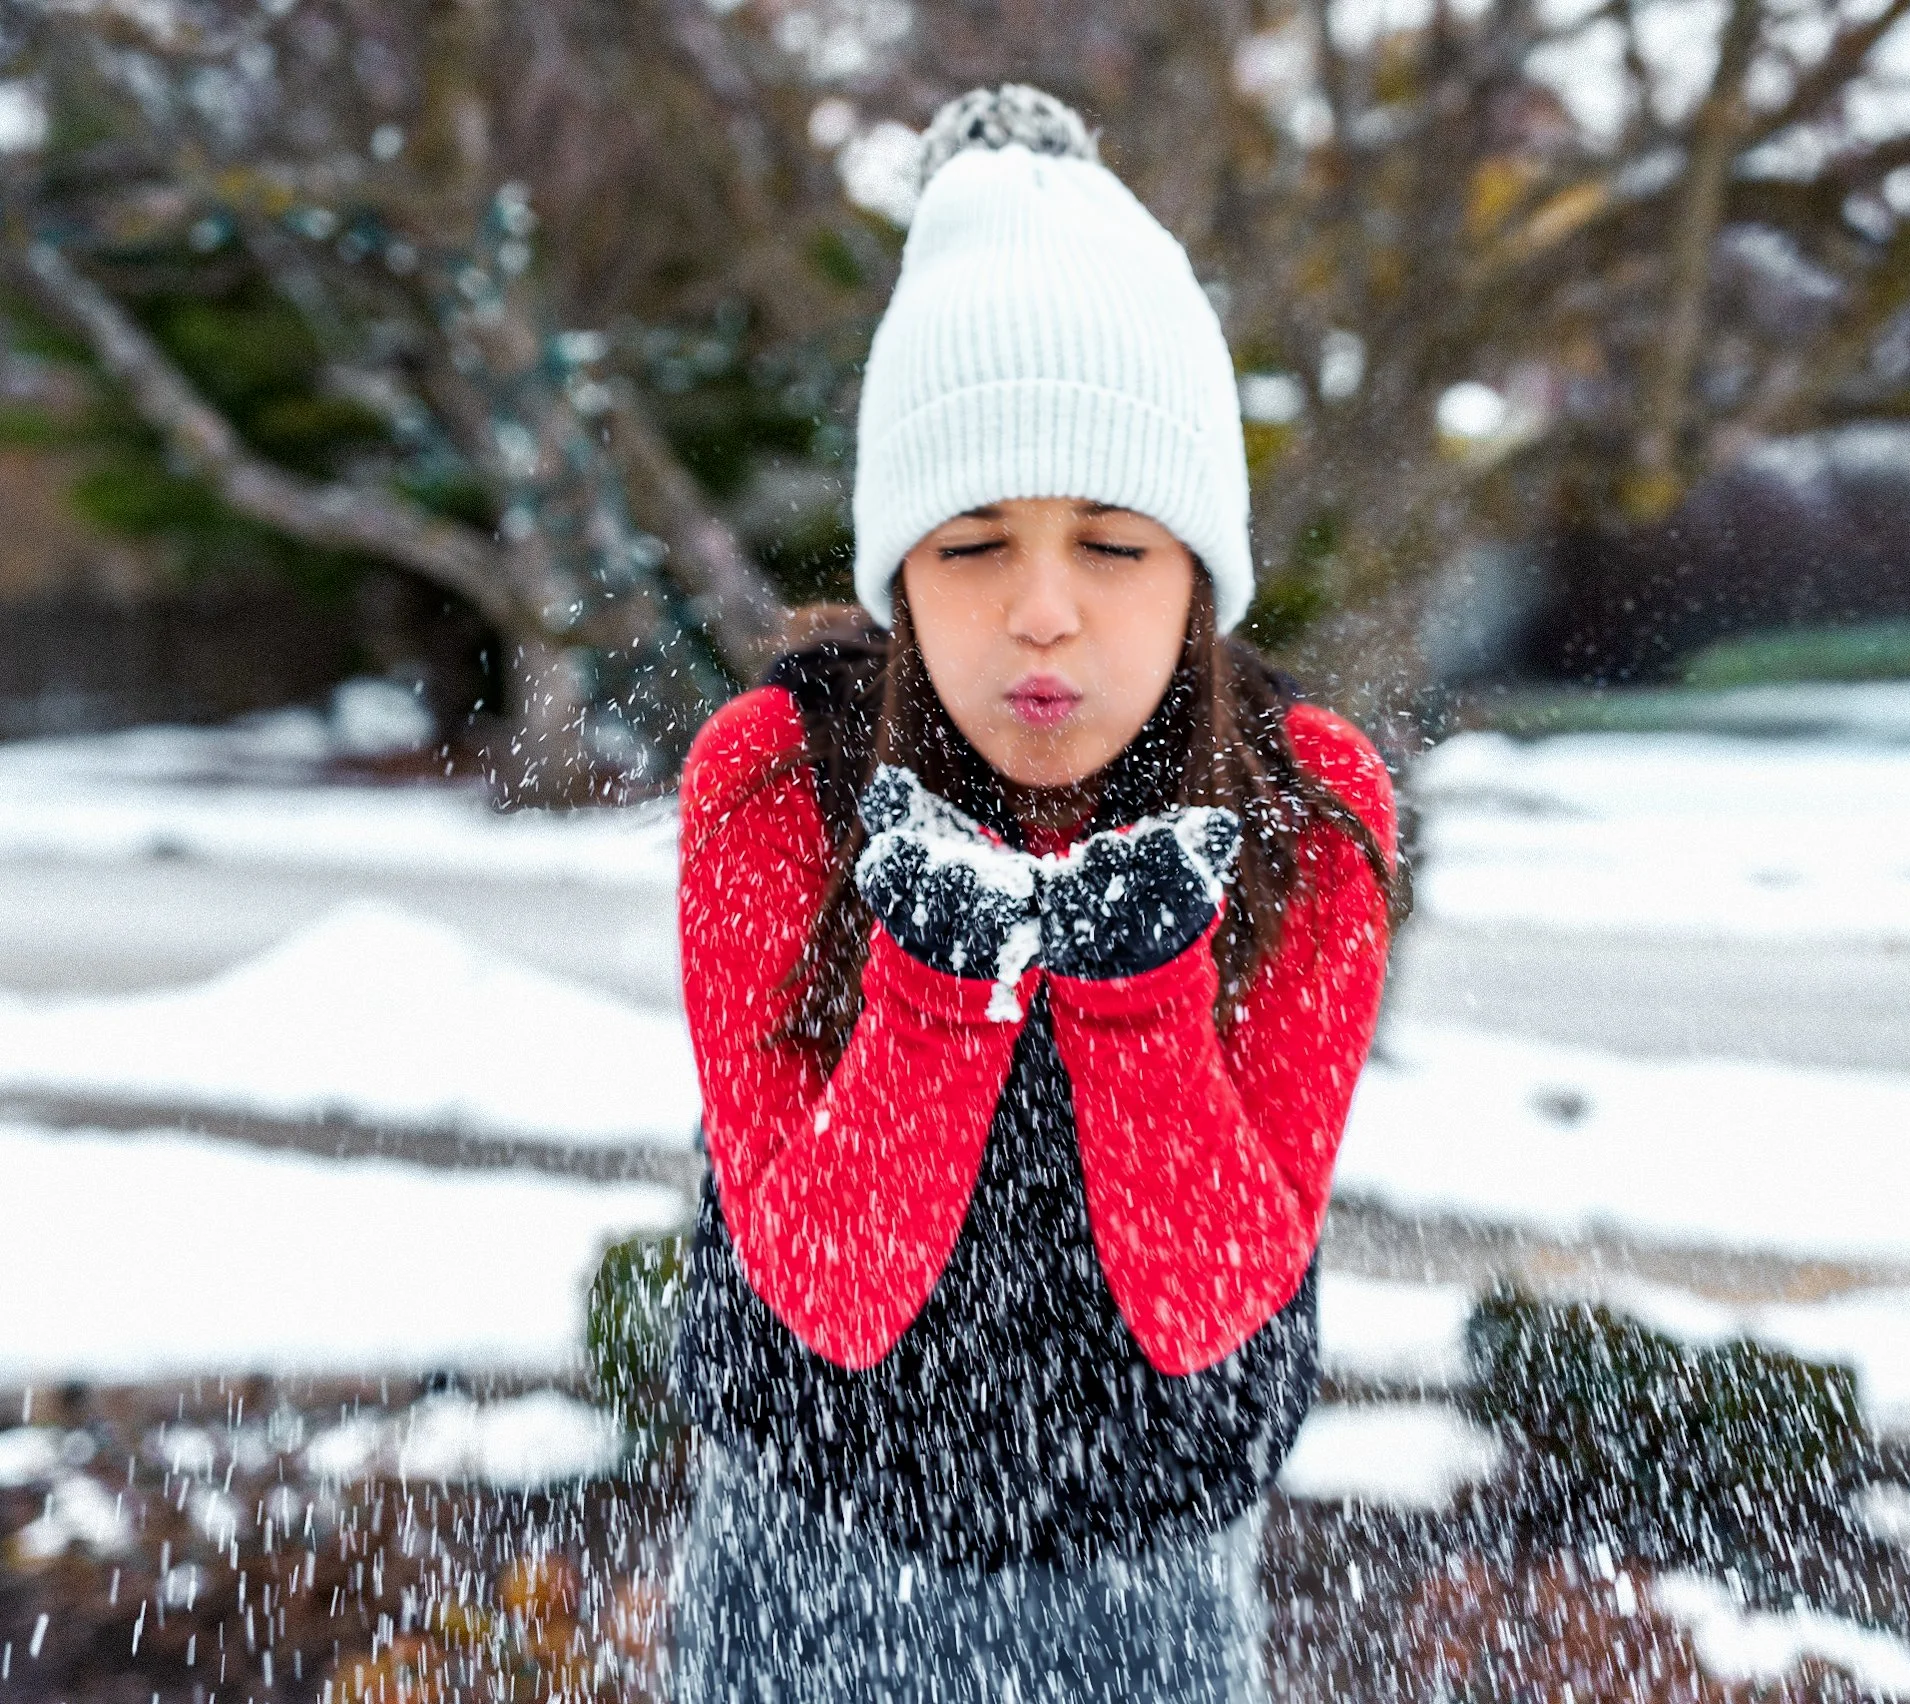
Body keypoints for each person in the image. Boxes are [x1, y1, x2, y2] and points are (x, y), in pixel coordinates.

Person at [669, 83, 1398, 1704]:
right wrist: (940, 984)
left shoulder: (1306, 805)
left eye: (1115, 546)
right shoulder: (780, 781)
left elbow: (1211, 1304)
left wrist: (1136, 997)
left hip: (1157, 1567)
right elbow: (833, 1295)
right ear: (898, 571)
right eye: (974, 544)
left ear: (1200, 570)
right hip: (810, 1547)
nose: (1044, 611)